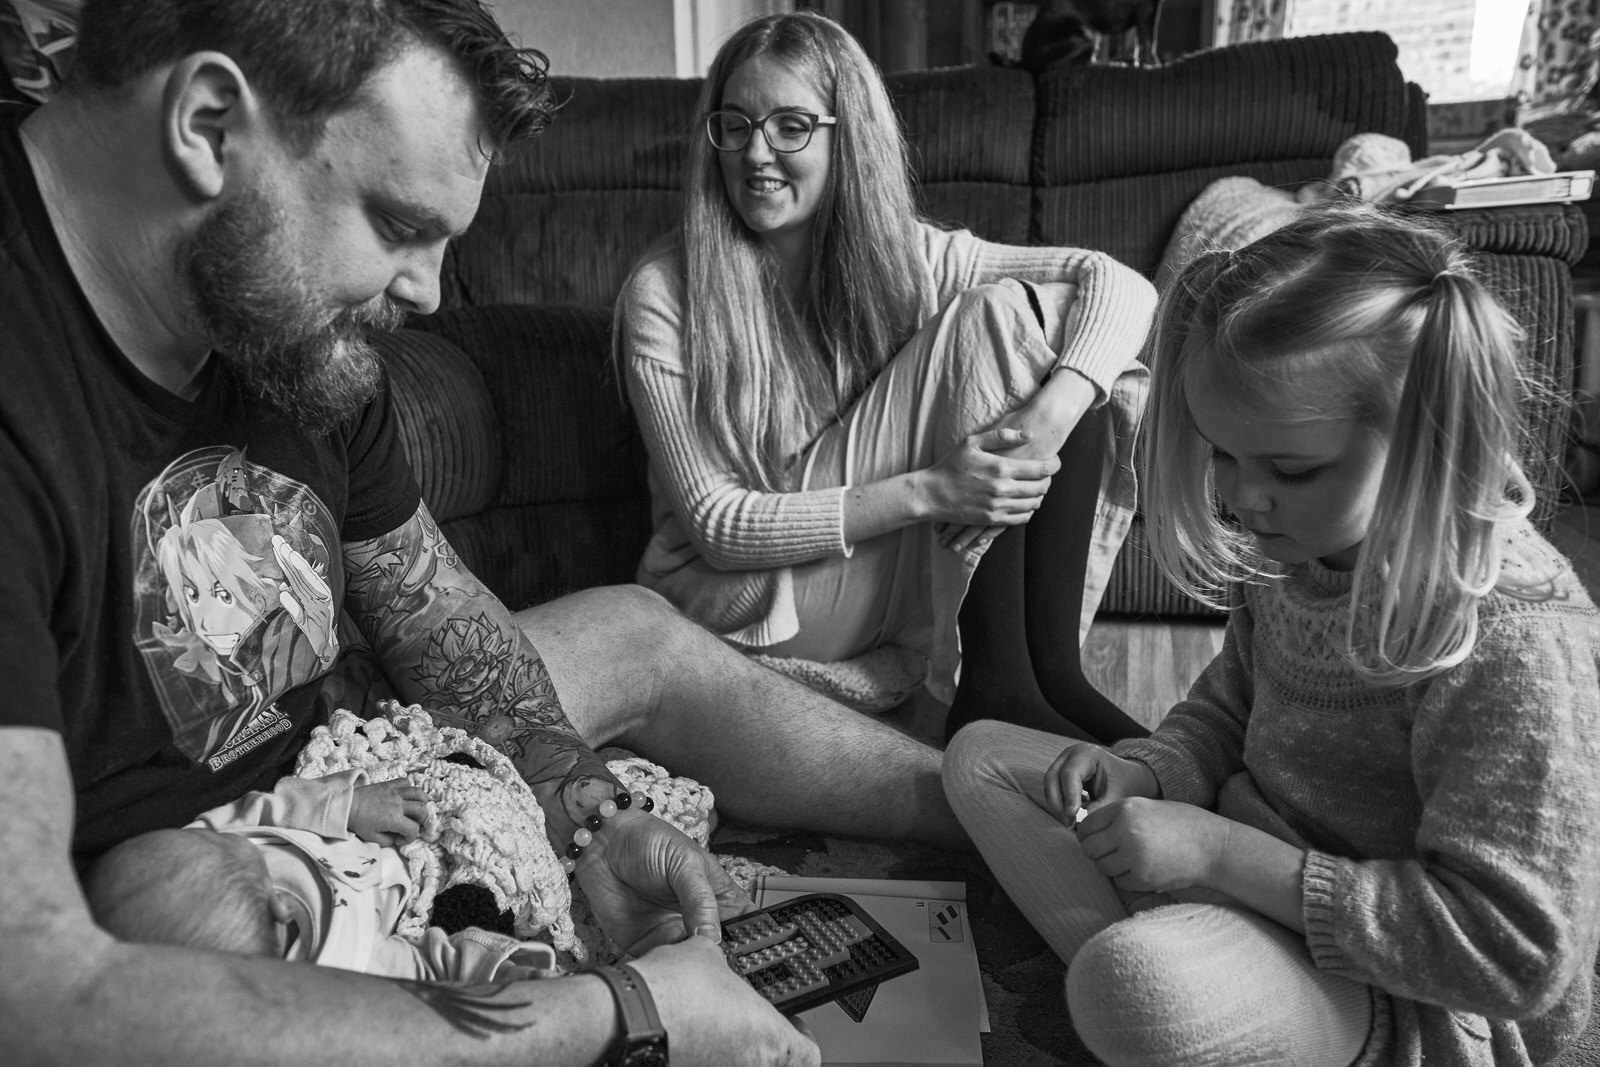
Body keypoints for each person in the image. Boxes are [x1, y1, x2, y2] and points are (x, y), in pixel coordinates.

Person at [0, 2, 969, 1063]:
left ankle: (988, 807)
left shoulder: (286, 334)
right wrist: (628, 1007)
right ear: (208, 123)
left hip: (344, 763)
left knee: (636, 627)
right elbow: (37, 995)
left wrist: (588, 812)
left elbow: (432, 605)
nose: (424, 291)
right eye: (401, 225)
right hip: (184, 895)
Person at [942, 203, 1600, 1066]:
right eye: (1222, 454)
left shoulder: (1515, 636)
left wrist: (1222, 856)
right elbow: (1225, 714)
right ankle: (1207, 970)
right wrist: (1148, 769)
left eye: (1291, 469)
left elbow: (1516, 954)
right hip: (1253, 880)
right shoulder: (1308, 548)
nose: (1243, 500)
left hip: (1398, 995)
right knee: (980, 755)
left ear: (1422, 436)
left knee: (1131, 989)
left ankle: (1203, 975)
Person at [615, 10, 1156, 743]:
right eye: (735, 124)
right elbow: (716, 524)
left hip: (859, 579)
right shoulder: (665, 291)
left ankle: (1047, 674)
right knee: (994, 320)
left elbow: (1121, 286)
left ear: (849, 137)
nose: (755, 151)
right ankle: (996, 689)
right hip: (741, 603)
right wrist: (934, 489)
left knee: (1051, 331)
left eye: (792, 126)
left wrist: (1048, 418)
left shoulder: (905, 259)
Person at [87, 773, 564, 984]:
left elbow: (265, 808)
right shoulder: (343, 961)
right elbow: (430, 968)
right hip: (419, 898)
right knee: (502, 893)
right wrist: (502, 969)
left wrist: (348, 805)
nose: (224, 829)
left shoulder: (202, 843)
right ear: (281, 905)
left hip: (373, 826)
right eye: (226, 845)